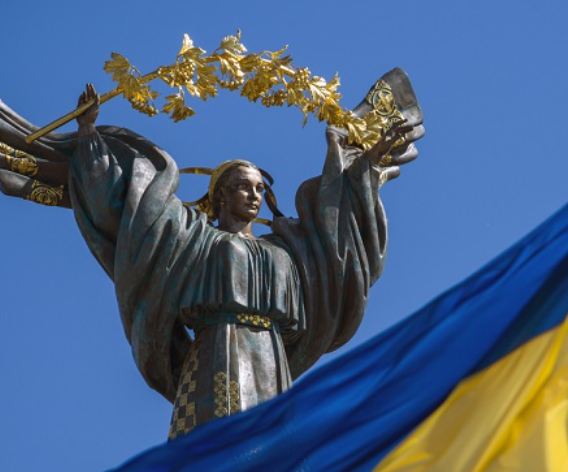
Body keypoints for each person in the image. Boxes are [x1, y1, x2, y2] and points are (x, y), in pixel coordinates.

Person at [68, 73, 423, 438]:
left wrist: (366, 165)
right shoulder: (195, 238)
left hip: (272, 360)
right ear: (221, 196)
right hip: (216, 353)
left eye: (259, 188)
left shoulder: (287, 249)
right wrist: (88, 134)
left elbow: (337, 236)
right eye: (243, 187)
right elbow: (135, 209)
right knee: (214, 441)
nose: (254, 195)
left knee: (271, 447)